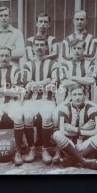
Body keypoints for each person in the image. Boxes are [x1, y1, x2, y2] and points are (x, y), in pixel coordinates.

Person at [22, 35, 59, 164]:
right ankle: (32, 148)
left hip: (47, 100)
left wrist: (36, 84)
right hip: (31, 100)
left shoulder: (53, 64)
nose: (39, 47)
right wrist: (46, 81)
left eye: (41, 45)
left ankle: (45, 149)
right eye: (36, 45)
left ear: (46, 47)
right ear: (32, 47)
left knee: (47, 116)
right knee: (27, 116)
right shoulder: (27, 65)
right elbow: (27, 85)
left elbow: (54, 86)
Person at [53, 84, 97, 170]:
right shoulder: (64, 109)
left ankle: (72, 161)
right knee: (57, 134)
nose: (77, 97)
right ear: (71, 96)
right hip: (69, 145)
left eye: (80, 94)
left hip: (85, 146)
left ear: (84, 96)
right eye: (74, 95)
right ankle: (83, 161)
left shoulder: (91, 108)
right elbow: (63, 131)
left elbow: (95, 131)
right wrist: (84, 129)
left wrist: (76, 130)